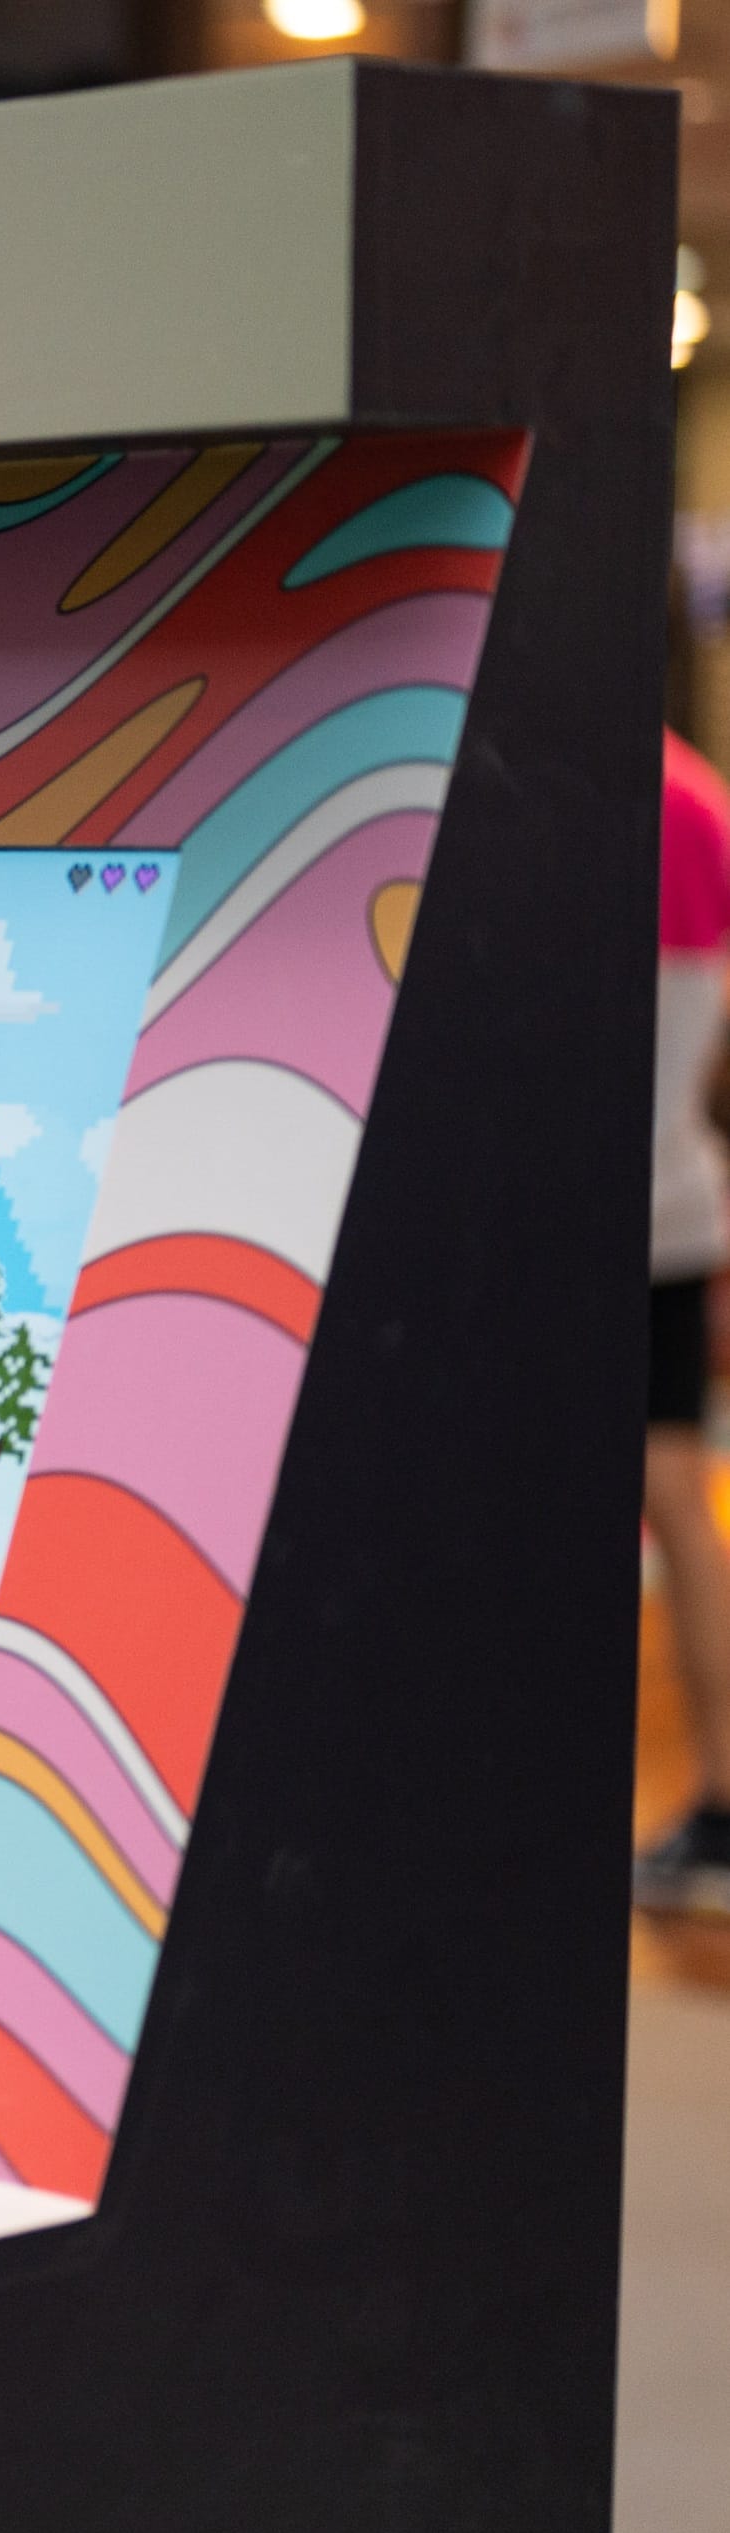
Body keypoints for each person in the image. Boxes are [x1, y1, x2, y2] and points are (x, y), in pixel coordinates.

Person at [637, 702, 730, 1917]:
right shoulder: (698, 792)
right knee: (674, 1495)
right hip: (671, 1199)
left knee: (669, 1492)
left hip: (628, 1213)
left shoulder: (629, 790)